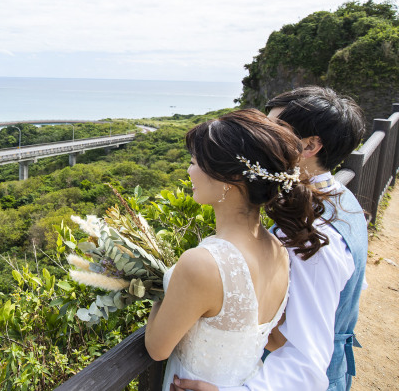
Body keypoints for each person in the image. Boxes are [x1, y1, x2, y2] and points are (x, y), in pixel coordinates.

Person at [171, 86, 367, 391]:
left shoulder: (312, 236)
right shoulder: (341, 200)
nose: (260, 136)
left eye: (274, 129)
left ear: (310, 146)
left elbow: (306, 361)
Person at [145, 108, 329, 391]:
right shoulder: (279, 248)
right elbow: (272, 337)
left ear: (227, 179)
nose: (189, 170)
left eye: (194, 162)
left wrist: (156, 289)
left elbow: (158, 348)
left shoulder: (203, 263)